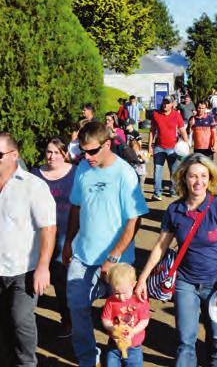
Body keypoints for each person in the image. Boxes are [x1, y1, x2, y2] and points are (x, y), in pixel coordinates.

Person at [0, 132, 57, 365]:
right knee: (3, 322)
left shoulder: (33, 186)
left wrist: (44, 267)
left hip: (25, 269)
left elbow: (48, 228)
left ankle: (27, 363)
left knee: (21, 320)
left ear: (14, 155)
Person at [136, 154, 217, 367]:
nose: (198, 181)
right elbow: (160, 247)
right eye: (193, 176)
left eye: (203, 176)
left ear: (210, 179)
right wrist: (142, 278)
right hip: (185, 282)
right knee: (185, 340)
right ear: (184, 178)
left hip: (215, 284)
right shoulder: (175, 210)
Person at [62, 122, 148, 366]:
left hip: (118, 261)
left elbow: (134, 221)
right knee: (77, 308)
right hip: (83, 255)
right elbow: (76, 207)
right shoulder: (82, 168)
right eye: (82, 151)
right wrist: (68, 241)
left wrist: (113, 256)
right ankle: (88, 359)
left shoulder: (125, 173)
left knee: (123, 315)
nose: (86, 157)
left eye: (92, 151)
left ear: (107, 144)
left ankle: (123, 356)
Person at [31, 137, 76, 339]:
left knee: (61, 279)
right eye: (49, 152)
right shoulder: (35, 174)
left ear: (64, 154)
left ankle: (67, 320)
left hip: (66, 233)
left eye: (57, 152)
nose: (52, 156)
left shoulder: (75, 173)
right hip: (39, 233)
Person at [101, 263, 150, 367]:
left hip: (134, 346)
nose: (121, 298)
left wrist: (133, 331)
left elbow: (144, 321)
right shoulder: (111, 301)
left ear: (133, 284)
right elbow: (106, 319)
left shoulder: (140, 300)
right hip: (114, 344)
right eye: (117, 293)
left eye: (124, 293)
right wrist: (112, 328)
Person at [148, 97, 189, 200]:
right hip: (159, 148)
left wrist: (186, 145)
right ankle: (157, 193)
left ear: (172, 104)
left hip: (173, 148)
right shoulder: (156, 114)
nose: (165, 105)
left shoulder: (176, 115)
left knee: (174, 171)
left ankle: (173, 190)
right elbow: (152, 131)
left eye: (167, 103)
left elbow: (182, 130)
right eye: (164, 103)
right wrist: (149, 145)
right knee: (157, 170)